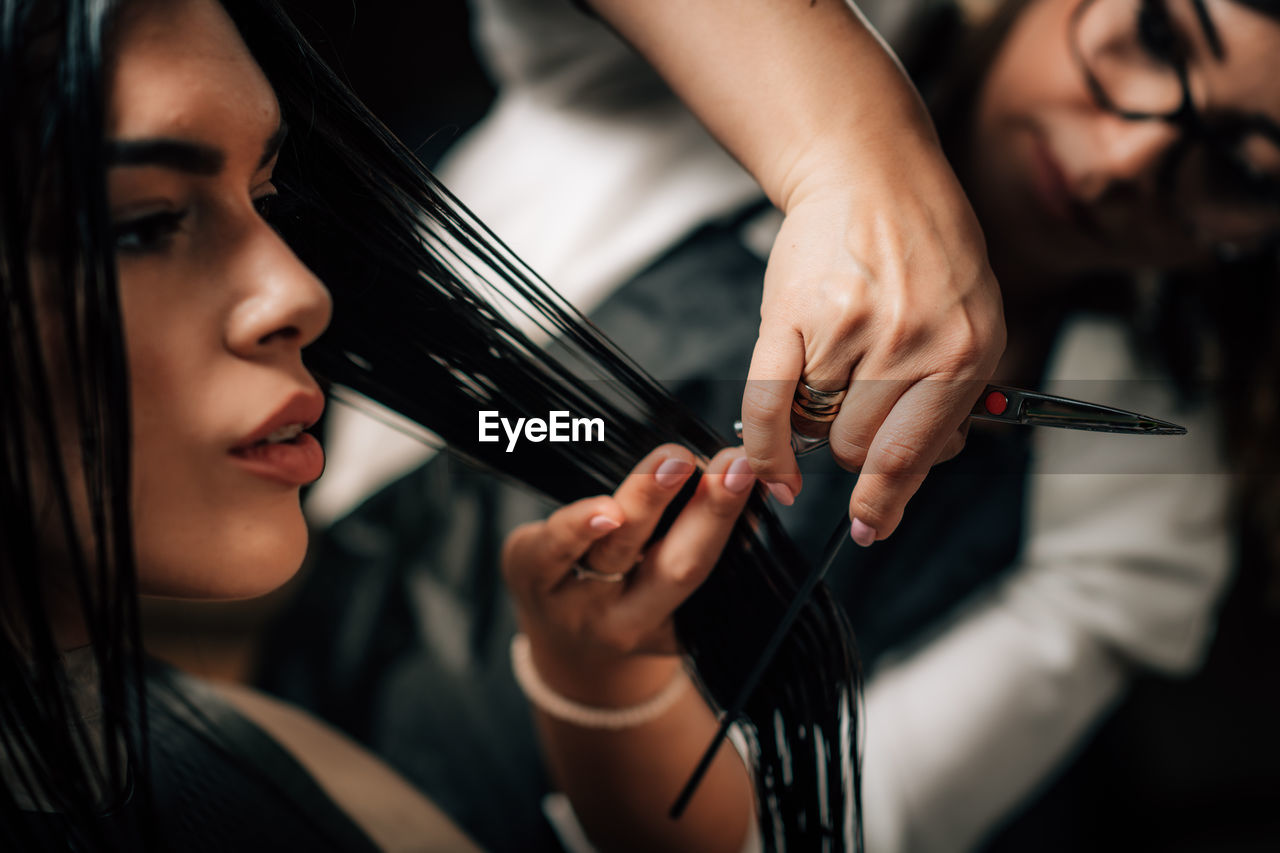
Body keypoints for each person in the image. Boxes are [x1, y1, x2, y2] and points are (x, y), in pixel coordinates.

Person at [267, 0, 1280, 850]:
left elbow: (818, 830)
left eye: (1245, 168)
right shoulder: (738, 60)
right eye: (1153, 36)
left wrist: (608, 688)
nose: (1127, 154)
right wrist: (851, 152)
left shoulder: (1138, 500)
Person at [1, 0, 795, 848]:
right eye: (145, 225)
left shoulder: (254, 761)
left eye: (265, 198)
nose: (300, 294)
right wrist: (853, 163)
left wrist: (606, 689)